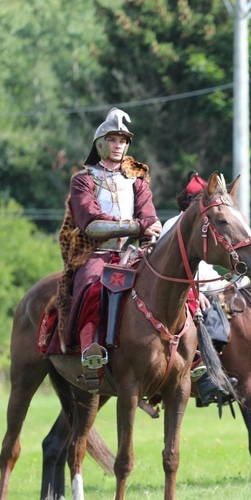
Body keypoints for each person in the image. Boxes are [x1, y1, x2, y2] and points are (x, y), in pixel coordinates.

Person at [58, 108, 162, 383]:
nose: (119, 145)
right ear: (101, 143)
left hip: (131, 253)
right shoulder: (84, 179)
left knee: (170, 284)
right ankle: (90, 351)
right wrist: (139, 227)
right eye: (114, 139)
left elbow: (150, 218)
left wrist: (150, 240)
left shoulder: (137, 181)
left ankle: (189, 355)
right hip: (96, 254)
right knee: (93, 285)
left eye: (123, 141)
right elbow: (91, 223)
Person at [161, 171, 234, 407]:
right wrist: (197, 292)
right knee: (207, 312)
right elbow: (178, 268)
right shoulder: (175, 224)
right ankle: (203, 374)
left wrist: (232, 284)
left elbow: (208, 271)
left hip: (202, 286)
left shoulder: (208, 222)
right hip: (182, 292)